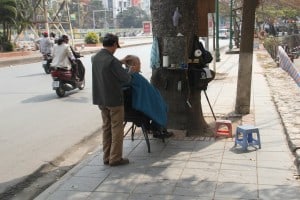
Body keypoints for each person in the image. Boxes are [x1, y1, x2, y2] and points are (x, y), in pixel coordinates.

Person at [91, 33, 132, 166]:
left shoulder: (95, 58)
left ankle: (106, 157)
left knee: (106, 128)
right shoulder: (112, 61)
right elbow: (126, 78)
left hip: (101, 99)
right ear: (114, 44)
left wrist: (119, 62)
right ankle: (115, 158)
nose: (116, 49)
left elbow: (106, 67)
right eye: (116, 46)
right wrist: (129, 68)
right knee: (117, 129)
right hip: (114, 100)